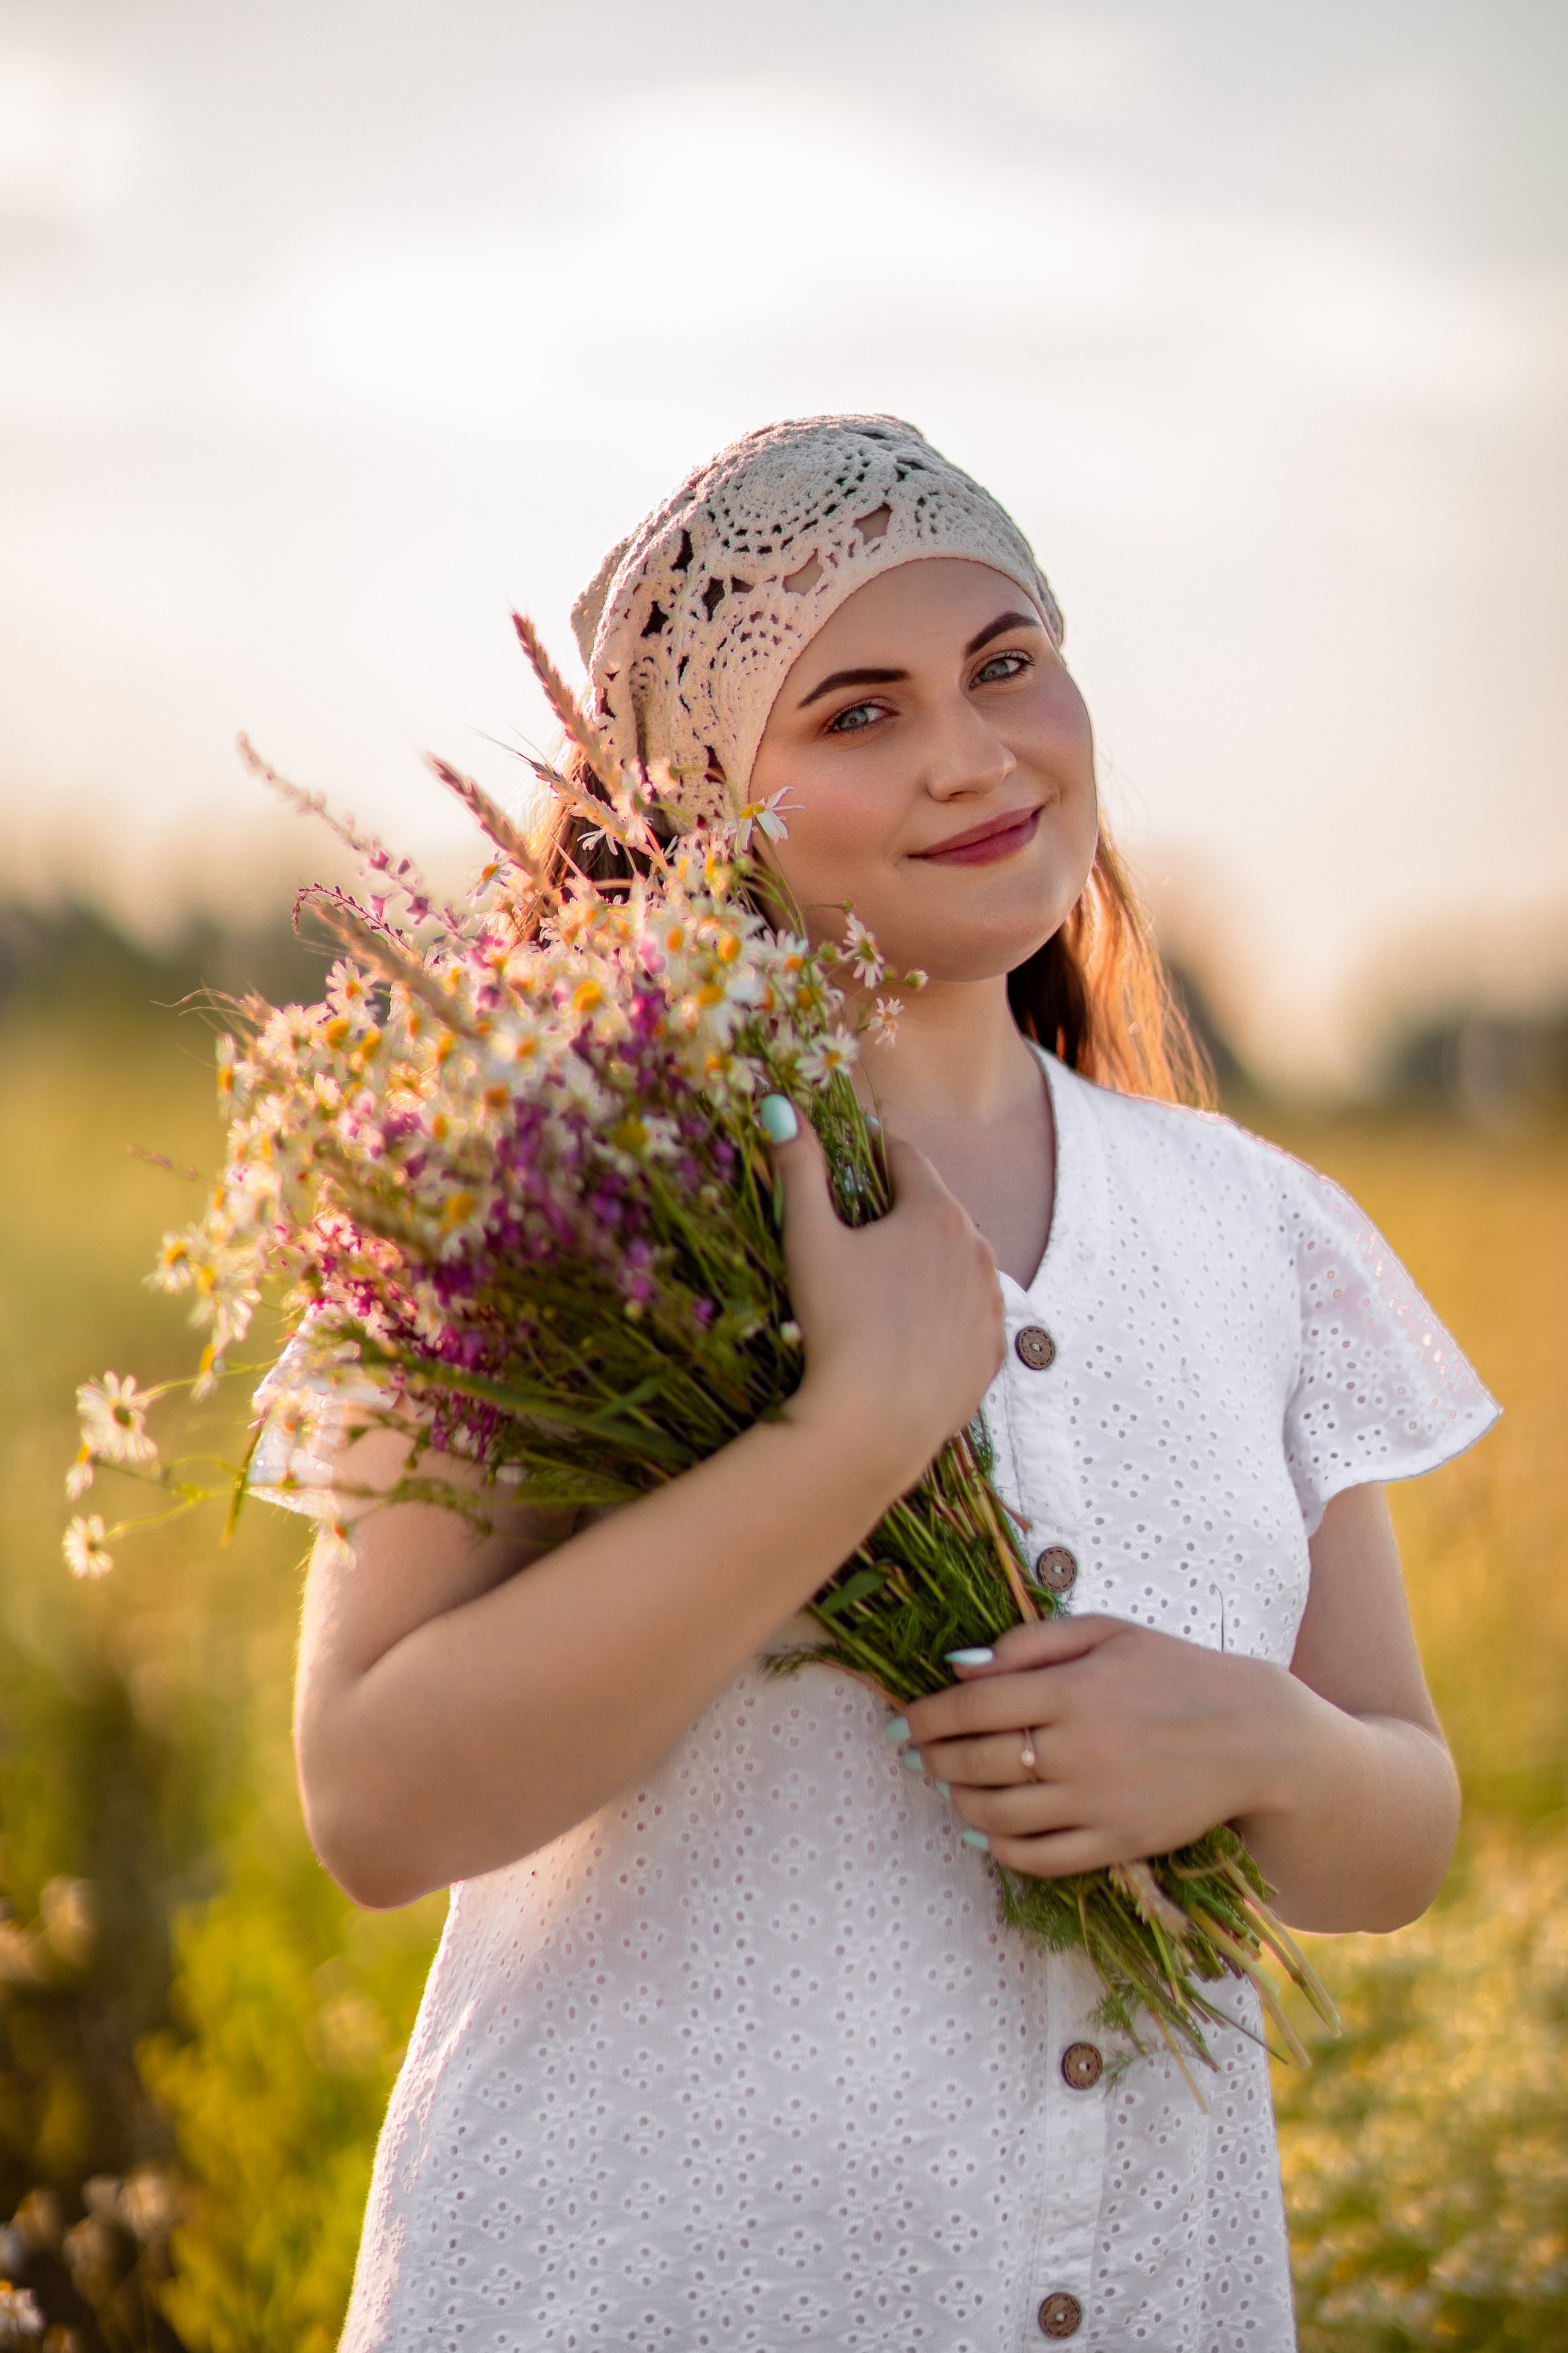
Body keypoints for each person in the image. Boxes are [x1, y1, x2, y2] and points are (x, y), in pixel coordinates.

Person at [264, 417, 1498, 2351]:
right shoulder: (552, 1205)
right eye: (858, 710)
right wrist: (847, 1438)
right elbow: (373, 1797)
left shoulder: (1268, 1234)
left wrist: (1256, 1748)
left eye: (1008, 662)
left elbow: (1400, 1820)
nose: (969, 751)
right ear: (696, 807)